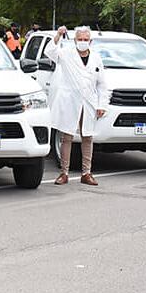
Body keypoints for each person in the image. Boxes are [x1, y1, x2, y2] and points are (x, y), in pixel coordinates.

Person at [44, 25, 108, 185]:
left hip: (89, 102)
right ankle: (64, 173)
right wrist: (58, 34)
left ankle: (86, 173)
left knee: (87, 137)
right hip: (70, 101)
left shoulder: (96, 58)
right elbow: (50, 51)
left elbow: (102, 84)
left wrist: (102, 105)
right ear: (74, 40)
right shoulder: (66, 54)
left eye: (86, 39)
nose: (83, 42)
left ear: (91, 41)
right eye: (80, 39)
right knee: (67, 137)